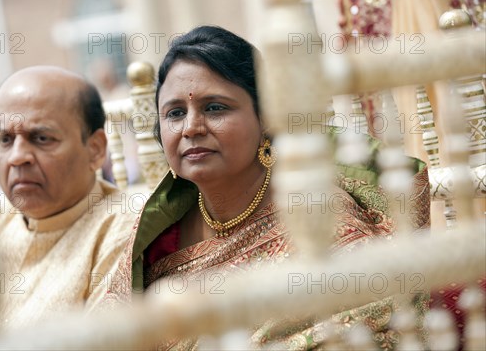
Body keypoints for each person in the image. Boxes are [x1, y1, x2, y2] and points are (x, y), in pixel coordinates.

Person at [103, 26, 431, 349]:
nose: (191, 127)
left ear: (266, 118)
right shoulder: (155, 239)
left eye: (215, 107)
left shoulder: (322, 223)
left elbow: (365, 326)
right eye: (175, 113)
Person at [0, 66, 135, 330]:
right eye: (5, 139)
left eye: (42, 138)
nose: (17, 156)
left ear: (95, 150)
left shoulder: (125, 230)